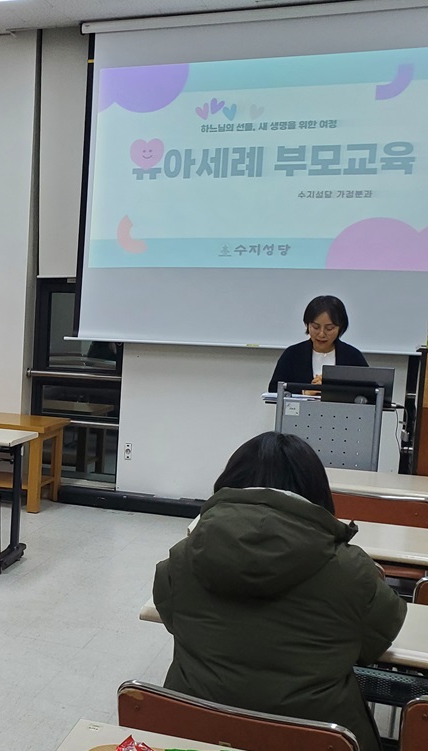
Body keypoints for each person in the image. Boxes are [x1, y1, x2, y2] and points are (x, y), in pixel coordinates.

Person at [153, 432, 406, 751]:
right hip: (314, 740)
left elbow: (174, 618)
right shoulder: (352, 572)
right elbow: (375, 642)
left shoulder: (181, 559)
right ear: (317, 492)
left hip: (194, 737)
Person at [268, 295, 368, 392]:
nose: (321, 334)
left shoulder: (353, 356)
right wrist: (305, 392)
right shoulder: (292, 354)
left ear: (340, 327)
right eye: (315, 327)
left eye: (329, 328)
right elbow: (274, 389)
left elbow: (368, 391)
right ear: (307, 325)